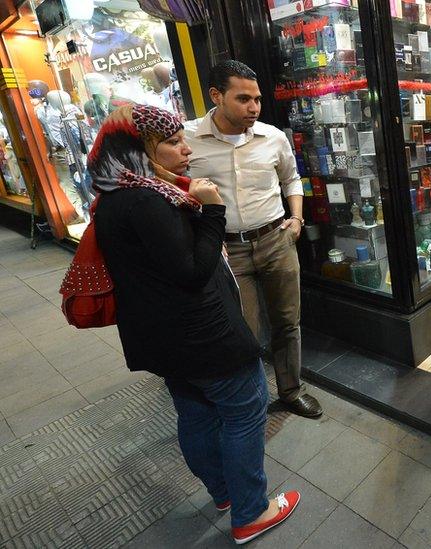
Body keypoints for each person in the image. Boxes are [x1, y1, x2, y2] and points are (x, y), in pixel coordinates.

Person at [88, 104, 300, 544]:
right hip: (204, 338)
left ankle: (224, 493)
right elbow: (192, 271)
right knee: (245, 410)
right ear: (140, 150)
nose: (185, 149)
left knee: (196, 412)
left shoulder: (113, 197)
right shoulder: (149, 202)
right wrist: (213, 211)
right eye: (170, 142)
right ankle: (251, 511)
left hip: (163, 340)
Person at [184, 60, 322, 419]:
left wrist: (296, 218)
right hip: (228, 249)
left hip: (276, 238)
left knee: (288, 320)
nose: (254, 108)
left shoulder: (272, 136)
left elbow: (292, 179)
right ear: (216, 96)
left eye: (257, 99)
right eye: (243, 99)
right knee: (243, 330)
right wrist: (205, 235)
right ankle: (251, 400)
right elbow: (177, 192)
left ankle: (291, 390)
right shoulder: (187, 139)